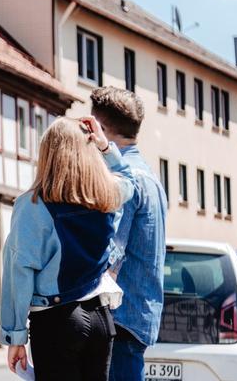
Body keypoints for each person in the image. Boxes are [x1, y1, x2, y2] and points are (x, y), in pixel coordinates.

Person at [1, 116, 135, 381]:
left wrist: (15, 335)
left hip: (57, 322)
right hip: (100, 318)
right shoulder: (105, 198)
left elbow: (19, 271)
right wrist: (106, 147)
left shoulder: (32, 205)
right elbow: (130, 182)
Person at [90, 87, 167, 381]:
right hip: (138, 316)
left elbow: (113, 251)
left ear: (103, 129)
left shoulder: (126, 178)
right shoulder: (149, 176)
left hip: (119, 319)